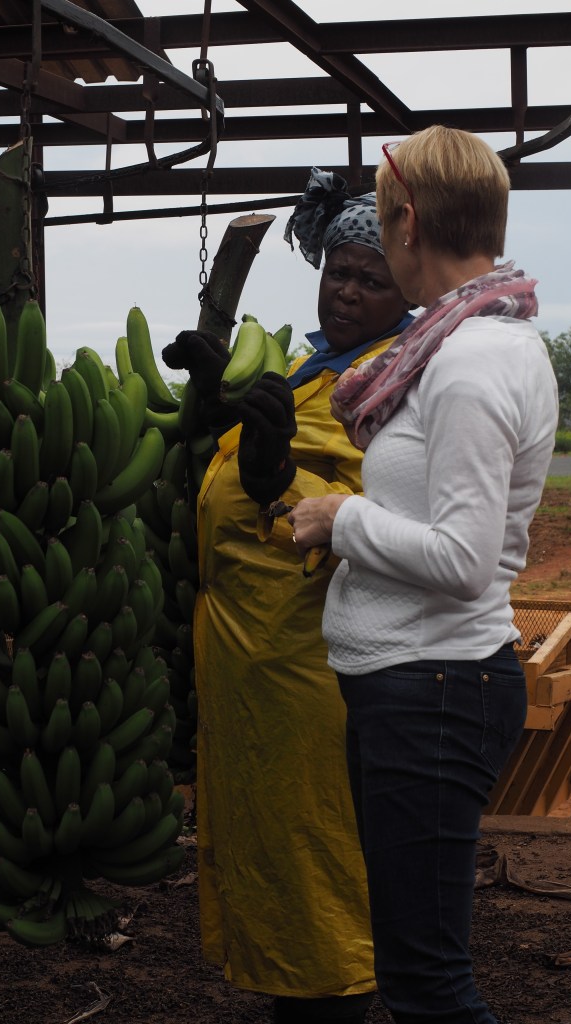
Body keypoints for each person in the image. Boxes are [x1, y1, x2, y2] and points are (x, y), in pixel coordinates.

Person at [286, 127, 559, 1023]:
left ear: (407, 222)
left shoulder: (472, 362)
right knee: (416, 972)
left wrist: (341, 518)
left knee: (427, 984)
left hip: (434, 688)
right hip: (415, 683)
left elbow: (463, 559)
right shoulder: (466, 342)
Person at [161, 168, 414, 1024]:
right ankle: (292, 998)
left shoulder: (395, 379)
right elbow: (271, 437)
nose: (348, 291)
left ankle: (332, 1002)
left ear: (407, 290)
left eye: (371, 279)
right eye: (339, 271)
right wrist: (220, 404)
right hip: (250, 659)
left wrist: (276, 481)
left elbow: (375, 506)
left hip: (311, 657)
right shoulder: (313, 360)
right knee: (268, 844)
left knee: (315, 849)